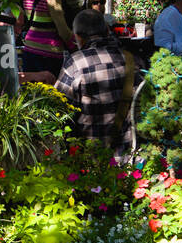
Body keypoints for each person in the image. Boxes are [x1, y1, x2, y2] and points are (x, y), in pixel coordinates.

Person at [54, 10, 135, 148]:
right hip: (129, 155)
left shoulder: (76, 63)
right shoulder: (130, 59)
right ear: (107, 31)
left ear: (78, 37)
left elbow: (58, 109)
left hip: (91, 158)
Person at [16, 0, 76, 77]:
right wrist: (76, 45)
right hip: (49, 54)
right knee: (51, 92)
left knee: (33, 91)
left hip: (29, 49)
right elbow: (63, 31)